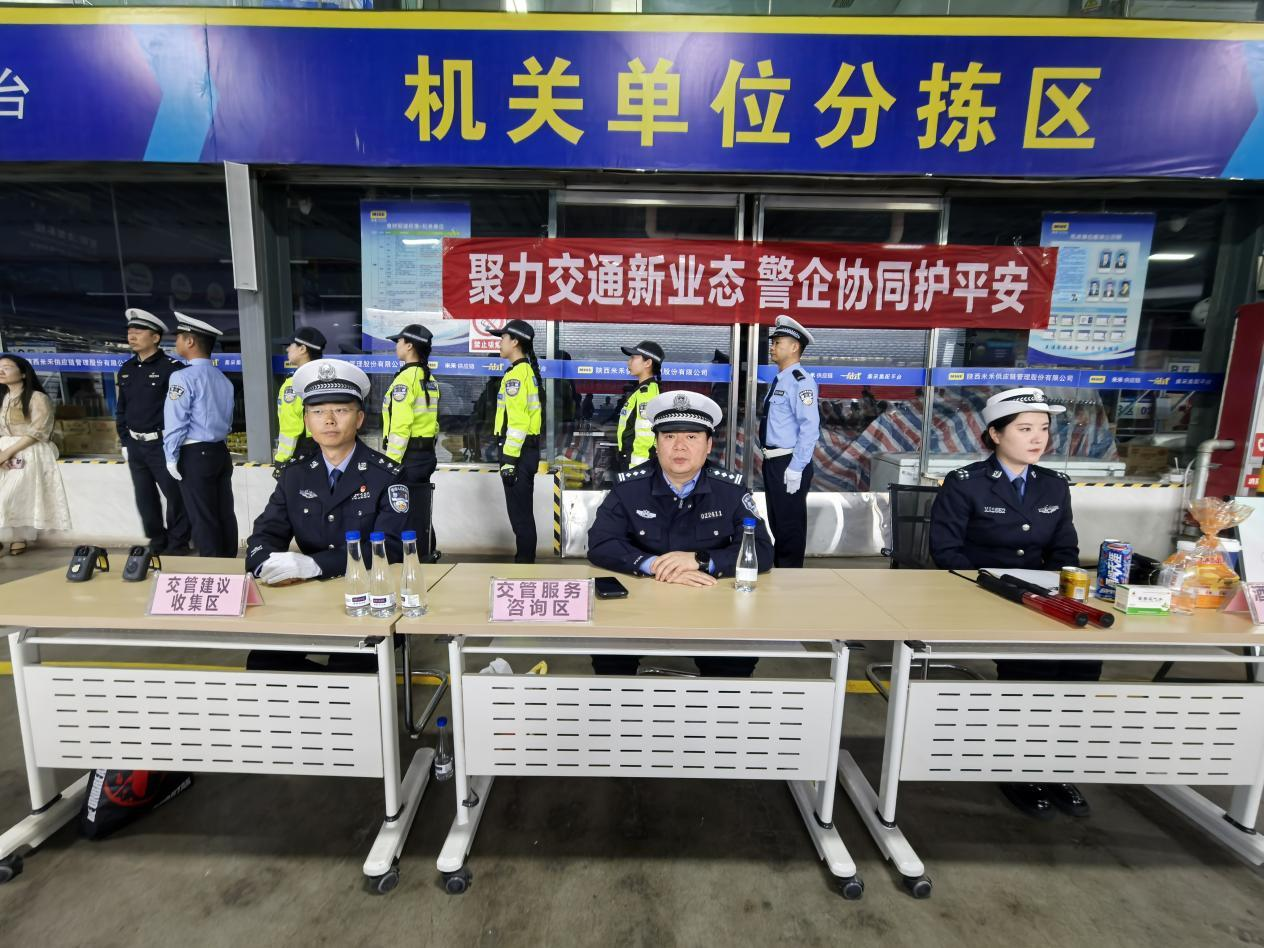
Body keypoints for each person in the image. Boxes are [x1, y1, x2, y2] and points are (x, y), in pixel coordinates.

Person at [929, 386, 1096, 820]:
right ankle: (1017, 766)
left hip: (1043, 598)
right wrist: (999, 589)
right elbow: (947, 554)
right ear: (995, 434)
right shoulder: (965, 484)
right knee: (1032, 666)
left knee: (1083, 662)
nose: (1038, 438)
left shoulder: (1054, 486)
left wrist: (1057, 593)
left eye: (1043, 429)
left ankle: (1055, 765)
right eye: (1024, 429)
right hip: (983, 595)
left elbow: (1065, 551)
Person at [588, 390, 773, 678]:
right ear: (656, 444)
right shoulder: (629, 488)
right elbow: (601, 542)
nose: (680, 447)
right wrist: (652, 565)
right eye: (669, 436)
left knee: (735, 660)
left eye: (692, 437)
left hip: (712, 602)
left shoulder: (730, 491)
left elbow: (761, 549)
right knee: (608, 653)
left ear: (708, 445)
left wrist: (700, 560)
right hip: (640, 601)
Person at [245, 358, 409, 673]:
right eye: (318, 412)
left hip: (368, 599)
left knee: (350, 667)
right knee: (264, 661)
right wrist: (266, 564)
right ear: (307, 420)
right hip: (307, 598)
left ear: (359, 419)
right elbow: (265, 534)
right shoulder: (294, 476)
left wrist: (315, 565)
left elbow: (391, 547)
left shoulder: (387, 475)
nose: (329, 420)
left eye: (341, 410)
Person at [115, 308, 190, 555]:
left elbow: (181, 410)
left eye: (139, 331)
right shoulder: (127, 368)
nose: (132, 336)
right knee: (144, 497)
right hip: (136, 444)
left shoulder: (172, 368)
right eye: (130, 331)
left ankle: (178, 543)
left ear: (155, 337)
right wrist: (125, 441)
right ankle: (156, 540)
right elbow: (122, 408)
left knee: (175, 496)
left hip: (162, 443)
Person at [163, 313, 237, 558]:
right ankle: (229, 566)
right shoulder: (223, 379)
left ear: (190, 341)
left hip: (194, 453)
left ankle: (213, 569)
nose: (176, 342)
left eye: (179, 337)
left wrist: (170, 456)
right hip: (220, 452)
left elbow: (176, 421)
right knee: (224, 513)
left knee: (202, 516)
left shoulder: (182, 377)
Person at [758, 315, 820, 568]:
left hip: (789, 462)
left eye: (778, 342)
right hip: (774, 462)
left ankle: (791, 575)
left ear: (794, 347)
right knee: (778, 523)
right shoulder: (782, 379)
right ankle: (781, 573)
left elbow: (809, 427)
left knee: (790, 526)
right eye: (773, 343)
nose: (772, 347)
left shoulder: (800, 381)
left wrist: (797, 467)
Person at [0, 353, 71, 554]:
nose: (1, 371)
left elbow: (38, 430)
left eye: (7, 367)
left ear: (23, 373)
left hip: (29, 450)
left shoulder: (37, 398)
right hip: (3, 448)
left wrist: (8, 453)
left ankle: (18, 537)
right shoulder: (3, 397)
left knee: (12, 495)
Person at [382, 324, 441, 559]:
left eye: (398, 341)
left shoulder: (405, 380)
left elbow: (401, 427)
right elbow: (434, 424)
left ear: (409, 345)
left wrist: (390, 463)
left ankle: (419, 557)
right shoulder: (429, 379)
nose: (396, 346)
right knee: (419, 508)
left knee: (406, 512)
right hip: (424, 455)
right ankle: (428, 551)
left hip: (408, 457)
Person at [492, 319, 543, 564]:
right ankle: (524, 562)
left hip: (519, 453)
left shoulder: (517, 375)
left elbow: (519, 423)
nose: (499, 343)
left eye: (502, 338)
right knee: (522, 515)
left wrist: (509, 460)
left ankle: (524, 565)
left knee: (520, 517)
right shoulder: (523, 371)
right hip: (524, 452)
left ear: (515, 342)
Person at [273, 325, 326, 467]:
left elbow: (291, 427)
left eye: (290, 345)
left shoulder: (294, 384)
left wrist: (282, 460)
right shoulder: (326, 380)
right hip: (326, 450)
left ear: (302, 349)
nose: (287, 349)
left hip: (301, 453)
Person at [613, 339, 663, 472]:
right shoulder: (642, 391)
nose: (628, 362)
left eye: (633, 358)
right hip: (635, 462)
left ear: (648, 363)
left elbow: (646, 435)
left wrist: (635, 466)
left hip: (637, 464)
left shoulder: (646, 393)